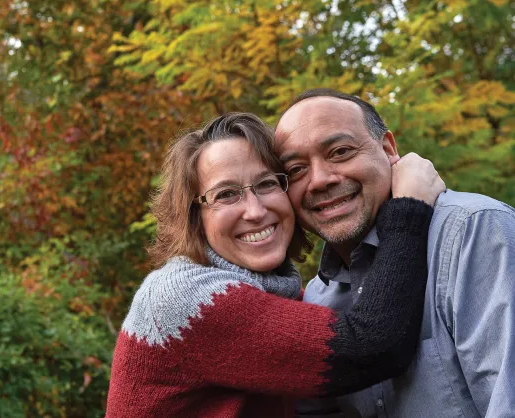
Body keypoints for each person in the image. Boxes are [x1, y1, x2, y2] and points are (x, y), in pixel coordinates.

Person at [106, 112, 445, 417]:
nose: (254, 211)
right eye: (226, 194)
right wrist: (409, 208)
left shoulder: (277, 295)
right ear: (194, 218)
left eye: (267, 184)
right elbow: (370, 347)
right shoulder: (185, 300)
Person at [275, 88, 515, 418]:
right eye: (296, 170)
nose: (319, 180)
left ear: (388, 148)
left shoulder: (473, 233)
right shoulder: (319, 296)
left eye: (340, 151)